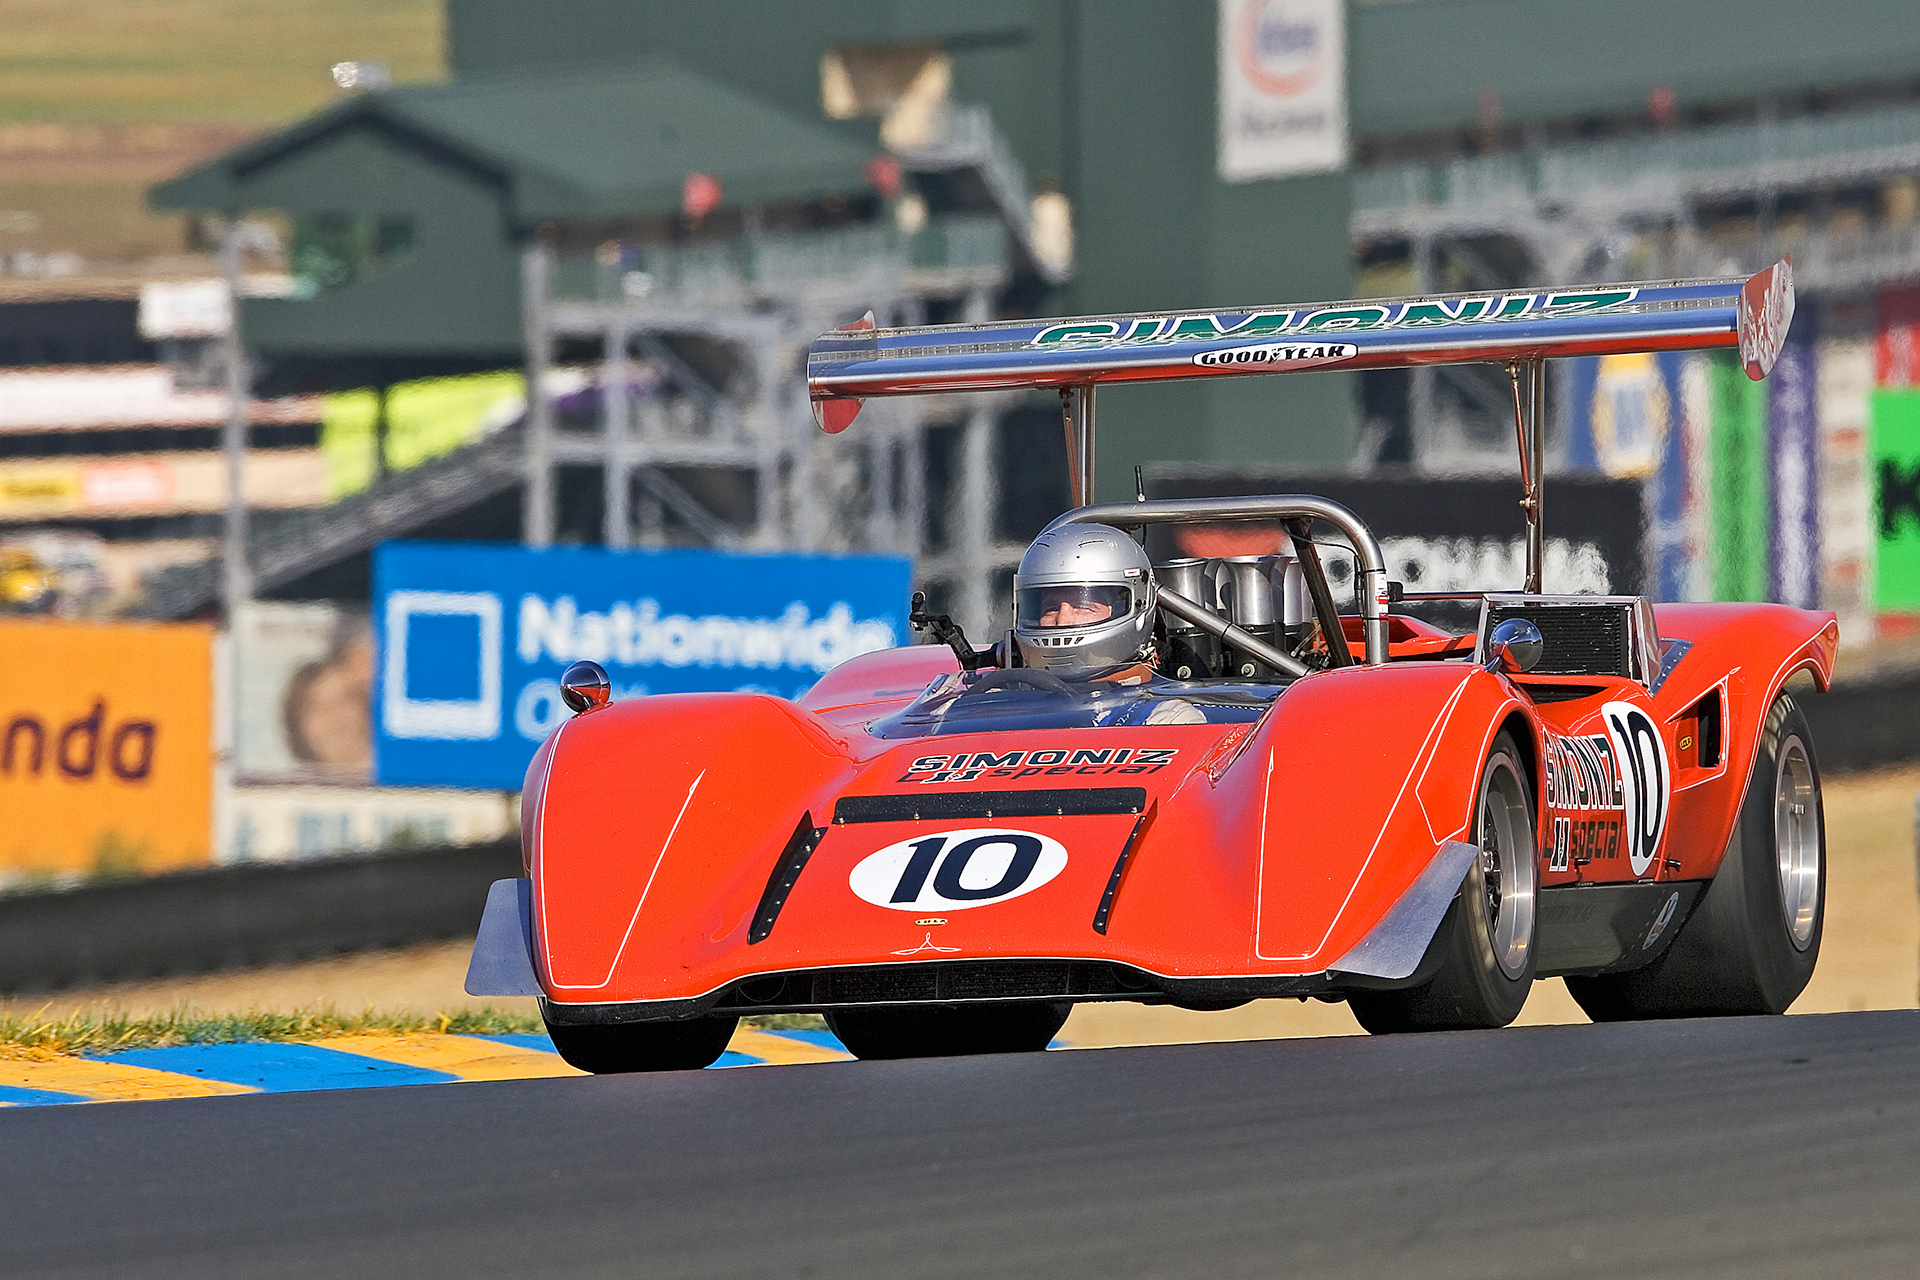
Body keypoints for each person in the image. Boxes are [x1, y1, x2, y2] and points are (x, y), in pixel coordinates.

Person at [1011, 523, 1204, 725]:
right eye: (1050, 608)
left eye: (1082, 606)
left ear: (1135, 604)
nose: (1062, 620)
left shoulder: (1168, 719)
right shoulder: (1008, 708)